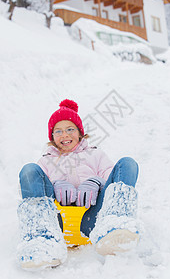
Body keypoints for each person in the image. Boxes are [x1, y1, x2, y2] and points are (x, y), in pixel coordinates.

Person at [17, 99, 139, 270]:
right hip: (57, 222)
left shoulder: (96, 155)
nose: (64, 135)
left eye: (70, 129)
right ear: (51, 137)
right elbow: (30, 188)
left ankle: (115, 226)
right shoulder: (46, 161)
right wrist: (55, 183)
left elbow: (112, 177)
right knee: (29, 170)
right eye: (58, 131)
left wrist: (97, 182)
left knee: (128, 163)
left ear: (80, 133)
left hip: (92, 221)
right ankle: (41, 239)